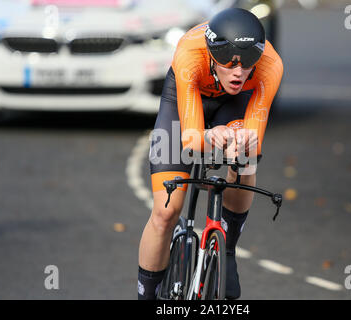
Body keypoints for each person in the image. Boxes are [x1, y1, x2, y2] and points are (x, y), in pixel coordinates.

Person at [137, 7, 283, 300]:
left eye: (247, 64)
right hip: (186, 101)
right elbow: (190, 141)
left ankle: (227, 249)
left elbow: (254, 137)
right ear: (213, 54)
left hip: (234, 104)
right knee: (166, 213)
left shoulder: (270, 65)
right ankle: (146, 295)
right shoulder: (190, 54)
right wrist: (208, 136)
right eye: (229, 63)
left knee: (246, 155)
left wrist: (239, 142)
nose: (239, 72)